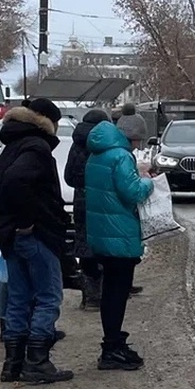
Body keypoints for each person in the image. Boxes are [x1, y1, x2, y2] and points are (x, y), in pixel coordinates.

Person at [0, 98, 73, 384]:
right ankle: (37, 361)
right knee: (48, 297)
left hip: (12, 237)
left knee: (18, 300)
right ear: (46, 121)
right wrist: (26, 221)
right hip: (36, 235)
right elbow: (16, 182)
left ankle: (13, 363)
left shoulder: (11, 147)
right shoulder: (36, 147)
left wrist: (5, 223)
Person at [84, 118, 155, 370]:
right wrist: (149, 181)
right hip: (120, 235)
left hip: (102, 234)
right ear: (131, 137)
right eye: (138, 140)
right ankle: (112, 348)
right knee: (118, 292)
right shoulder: (121, 157)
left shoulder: (96, 155)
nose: (138, 146)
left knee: (110, 291)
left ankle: (112, 343)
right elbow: (133, 192)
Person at [64, 108, 111, 310]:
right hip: (103, 200)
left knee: (84, 243)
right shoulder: (105, 144)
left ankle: (89, 296)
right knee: (104, 245)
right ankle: (102, 293)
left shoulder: (76, 144)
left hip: (81, 200)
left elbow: (69, 177)